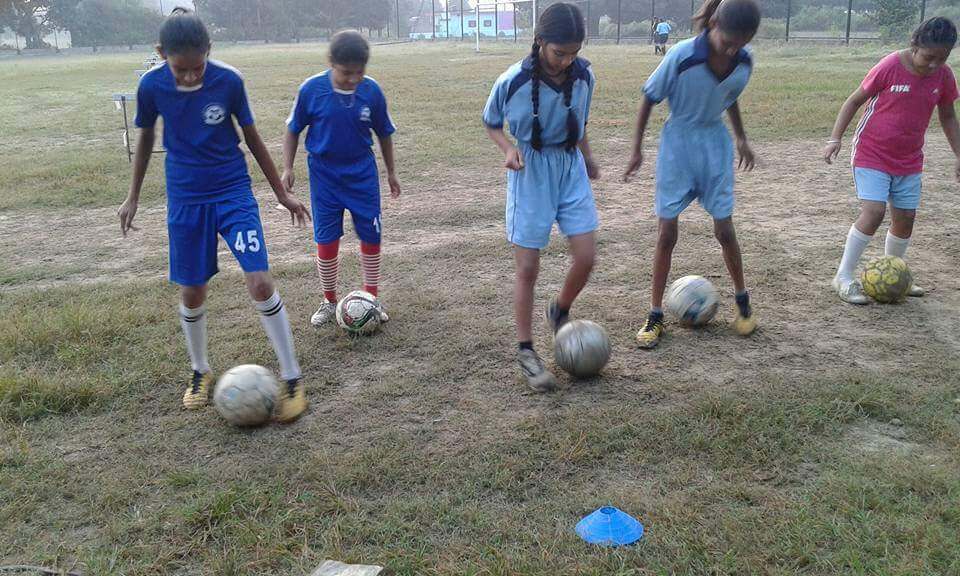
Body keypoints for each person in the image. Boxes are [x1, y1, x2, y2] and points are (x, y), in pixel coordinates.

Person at [117, 8, 311, 422]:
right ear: (160, 54)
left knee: (260, 282)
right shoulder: (150, 86)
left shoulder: (229, 81)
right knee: (192, 292)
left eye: (198, 67)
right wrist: (132, 196)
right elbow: (148, 137)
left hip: (232, 194)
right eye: (180, 69)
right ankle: (200, 370)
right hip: (185, 200)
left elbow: (253, 137)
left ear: (210, 51)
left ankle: (292, 377)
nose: (190, 77)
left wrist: (281, 194)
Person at [623, 0, 761, 349]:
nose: (732, 49)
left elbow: (729, 96)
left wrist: (741, 138)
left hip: (715, 148)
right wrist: (637, 149)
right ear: (713, 23)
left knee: (724, 230)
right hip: (678, 148)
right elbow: (649, 97)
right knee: (667, 233)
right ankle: (655, 315)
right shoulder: (682, 56)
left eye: (740, 44)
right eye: (728, 41)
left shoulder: (744, 61)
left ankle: (743, 303)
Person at [483, 2, 600, 391]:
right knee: (528, 267)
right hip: (530, 172)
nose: (567, 61)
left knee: (586, 256)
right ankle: (526, 350)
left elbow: (579, 123)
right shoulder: (513, 80)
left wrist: (588, 157)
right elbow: (491, 122)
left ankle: (560, 310)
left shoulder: (584, 76)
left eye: (573, 53)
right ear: (539, 42)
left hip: (570, 169)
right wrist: (508, 149)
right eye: (559, 52)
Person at [825, 17, 959, 304]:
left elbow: (947, 115)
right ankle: (843, 277)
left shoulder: (944, 76)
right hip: (871, 152)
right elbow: (853, 101)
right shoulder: (890, 66)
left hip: (909, 159)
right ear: (915, 45)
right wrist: (834, 139)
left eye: (943, 58)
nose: (934, 64)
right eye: (928, 57)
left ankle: (895, 273)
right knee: (873, 213)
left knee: (905, 219)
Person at [283, 30, 400, 326]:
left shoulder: (371, 91)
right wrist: (288, 168)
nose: (353, 79)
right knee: (326, 238)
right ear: (331, 62)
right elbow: (293, 129)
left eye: (359, 73)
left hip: (362, 174)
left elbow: (384, 133)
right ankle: (328, 300)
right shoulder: (311, 89)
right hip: (324, 176)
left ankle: (371, 297)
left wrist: (391, 172)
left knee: (371, 236)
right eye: (347, 73)